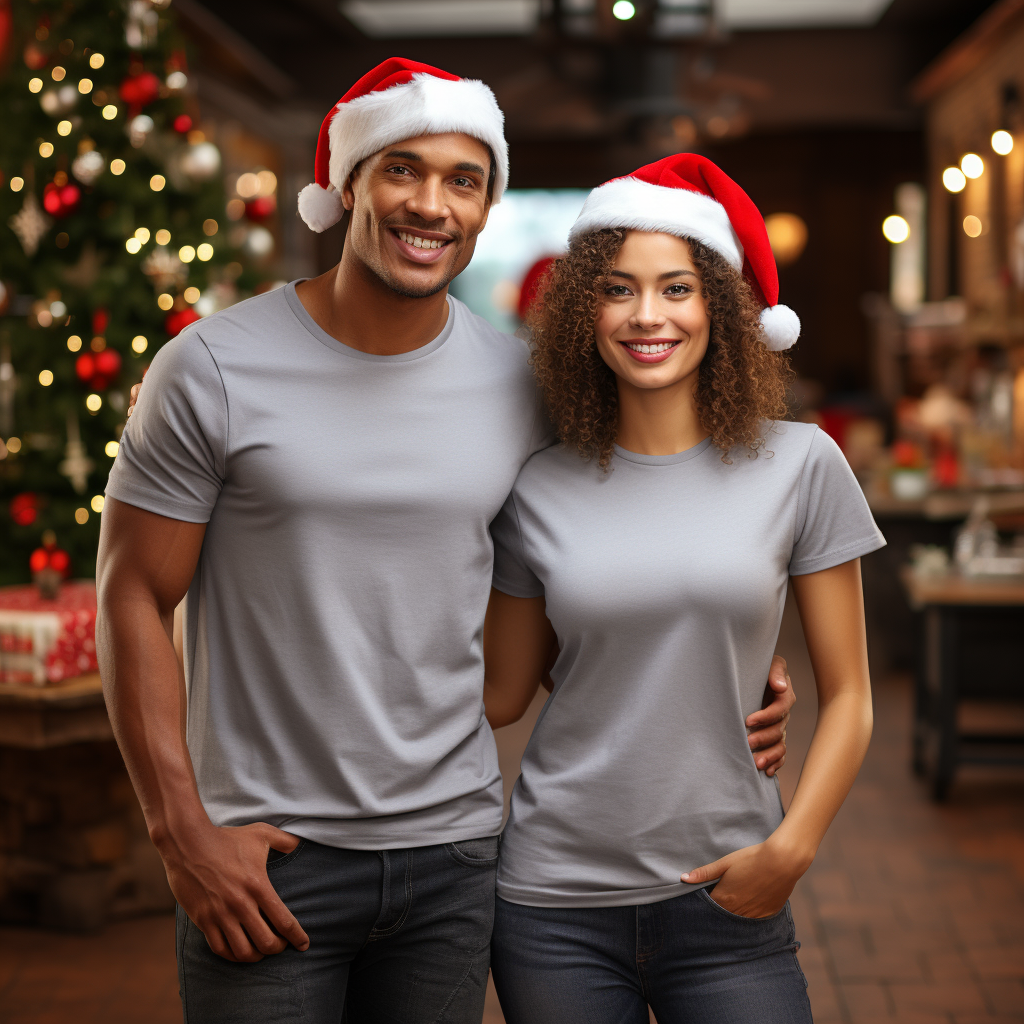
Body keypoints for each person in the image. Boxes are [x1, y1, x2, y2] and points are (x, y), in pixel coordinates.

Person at [100, 59, 794, 1023]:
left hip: (456, 862)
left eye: (464, 180)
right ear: (347, 185)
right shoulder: (212, 368)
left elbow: (597, 562)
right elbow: (133, 592)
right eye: (402, 170)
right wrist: (180, 833)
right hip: (268, 860)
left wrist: (724, 661)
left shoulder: (523, 388)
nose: (431, 204)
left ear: (484, 208)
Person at [481, 154, 883, 1024]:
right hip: (553, 906)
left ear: (723, 310)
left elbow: (851, 695)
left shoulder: (801, 464)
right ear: (586, 309)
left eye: (677, 288)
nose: (647, 315)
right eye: (619, 289)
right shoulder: (537, 484)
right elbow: (503, 692)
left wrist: (793, 849)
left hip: (730, 896)